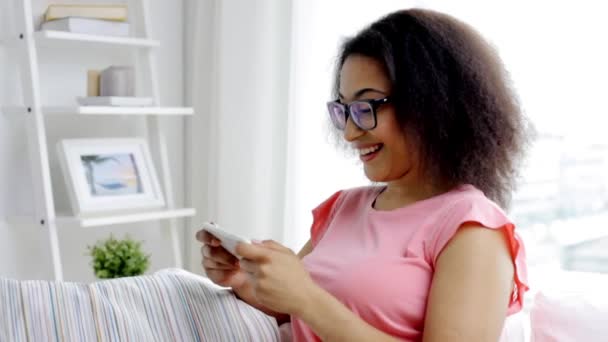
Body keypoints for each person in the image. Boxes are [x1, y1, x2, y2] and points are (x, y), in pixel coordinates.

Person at [197, 8, 530, 342]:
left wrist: (308, 299)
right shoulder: (345, 207)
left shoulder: (472, 228)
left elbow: (307, 302)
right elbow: (291, 308)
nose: (351, 133)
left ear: (431, 105)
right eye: (344, 110)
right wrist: (244, 279)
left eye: (366, 107)